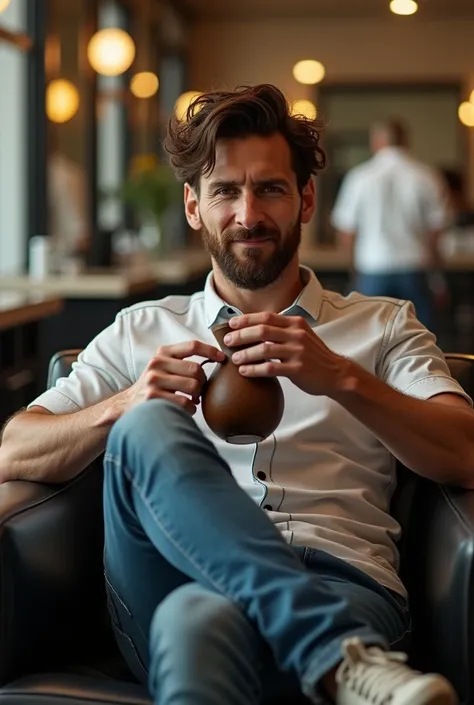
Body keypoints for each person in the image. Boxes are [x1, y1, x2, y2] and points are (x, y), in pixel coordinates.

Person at [1, 84, 473, 705]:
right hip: (168, 578)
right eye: (225, 191)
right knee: (143, 428)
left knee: (196, 622)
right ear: (194, 206)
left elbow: (464, 450)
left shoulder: (382, 325)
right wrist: (124, 404)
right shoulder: (141, 330)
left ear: (305, 199)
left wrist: (342, 378)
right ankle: (334, 657)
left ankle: (324, 642)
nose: (248, 215)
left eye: (270, 188)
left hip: (342, 583)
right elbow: (13, 449)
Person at [331, 119, 449, 331]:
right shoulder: (426, 176)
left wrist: (353, 270)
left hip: (372, 268)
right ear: (406, 141)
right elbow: (436, 230)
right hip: (415, 266)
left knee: (370, 341)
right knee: (420, 340)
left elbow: (346, 232)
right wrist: (437, 274)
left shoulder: (359, 177)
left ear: (376, 142)